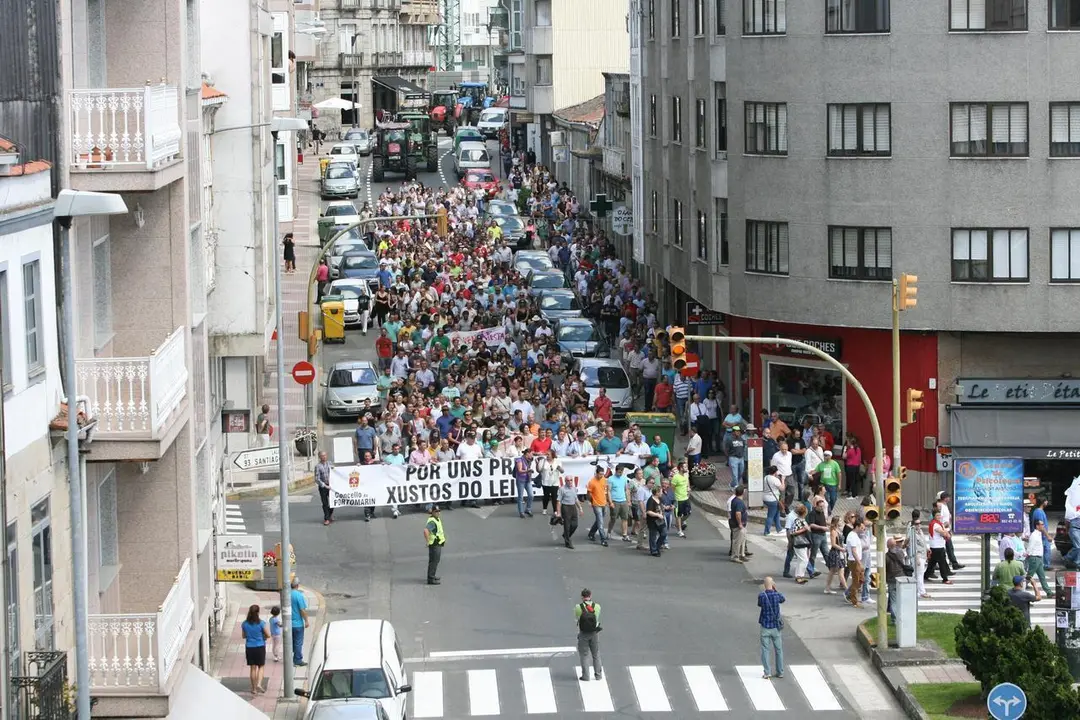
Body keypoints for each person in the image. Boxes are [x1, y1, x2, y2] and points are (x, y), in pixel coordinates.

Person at [757, 577, 785, 680]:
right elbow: (783, 599)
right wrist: (775, 589)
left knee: (765, 649)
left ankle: (767, 672)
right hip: (775, 627)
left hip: (765, 625)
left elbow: (759, 604)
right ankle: (780, 671)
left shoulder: (762, 596)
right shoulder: (777, 595)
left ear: (764, 585)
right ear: (772, 584)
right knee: (778, 650)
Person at [575, 589, 603, 681]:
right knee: (596, 654)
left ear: (582, 597)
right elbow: (597, 617)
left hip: (583, 634)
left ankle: (586, 676)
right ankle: (598, 675)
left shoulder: (578, 607)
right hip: (594, 633)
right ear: (590, 596)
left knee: (584, 655)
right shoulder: (597, 606)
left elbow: (577, 618)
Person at [241, 604, 270, 694]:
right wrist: (262, 636)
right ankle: (259, 684)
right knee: (261, 666)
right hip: (260, 646)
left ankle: (253, 689)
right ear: (258, 612)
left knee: (252, 668)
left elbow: (243, 636)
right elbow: (268, 635)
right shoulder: (261, 623)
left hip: (249, 647)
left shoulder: (244, 624)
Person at [925, 505, 954, 586]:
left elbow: (944, 530)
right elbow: (944, 533)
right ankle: (945, 579)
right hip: (937, 547)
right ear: (933, 516)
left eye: (939, 515)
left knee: (932, 563)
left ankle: (926, 575)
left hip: (936, 546)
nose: (939, 516)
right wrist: (947, 532)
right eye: (937, 515)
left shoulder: (937, 523)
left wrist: (945, 528)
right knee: (942, 563)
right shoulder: (935, 524)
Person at [586, 468, 611, 547]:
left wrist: (607, 500)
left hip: (604, 503)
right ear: (596, 473)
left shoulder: (604, 480)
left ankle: (591, 533)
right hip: (596, 504)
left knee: (599, 520)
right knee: (600, 522)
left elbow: (605, 490)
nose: (601, 476)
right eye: (600, 474)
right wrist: (592, 501)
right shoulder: (592, 482)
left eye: (602, 474)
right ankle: (603, 539)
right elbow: (588, 494)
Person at [845, 519, 867, 608]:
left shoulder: (855, 535)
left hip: (856, 560)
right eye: (862, 528)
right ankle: (854, 601)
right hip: (854, 561)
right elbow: (854, 551)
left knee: (860, 580)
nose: (863, 530)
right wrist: (859, 562)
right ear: (857, 527)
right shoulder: (852, 536)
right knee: (856, 581)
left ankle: (850, 594)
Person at [555, 475, 581, 548]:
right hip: (565, 507)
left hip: (573, 507)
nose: (570, 482)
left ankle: (566, 535)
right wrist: (559, 512)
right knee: (567, 525)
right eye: (568, 480)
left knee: (575, 524)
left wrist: (580, 508)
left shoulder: (574, 488)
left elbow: (576, 499)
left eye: (571, 480)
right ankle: (568, 542)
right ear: (565, 481)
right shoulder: (562, 489)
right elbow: (558, 501)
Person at [424, 505, 446, 585]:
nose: (438, 513)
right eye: (436, 511)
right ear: (432, 512)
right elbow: (426, 531)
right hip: (434, 544)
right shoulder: (432, 521)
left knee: (435, 561)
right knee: (434, 561)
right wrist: (427, 541)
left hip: (437, 543)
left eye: (439, 511)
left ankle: (432, 576)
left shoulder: (436, 519)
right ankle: (430, 578)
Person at [290, 578, 309, 666]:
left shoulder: (286, 594)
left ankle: (290, 658)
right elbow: (302, 610)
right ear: (298, 585)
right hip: (297, 624)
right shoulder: (299, 595)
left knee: (291, 642)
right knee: (298, 642)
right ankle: (297, 660)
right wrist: (306, 621)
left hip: (288, 623)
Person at [645, 485, 667, 557]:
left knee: (664, 533)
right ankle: (654, 550)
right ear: (657, 492)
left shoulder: (660, 499)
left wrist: (664, 508)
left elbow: (661, 506)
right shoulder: (651, 500)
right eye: (660, 492)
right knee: (653, 536)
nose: (662, 493)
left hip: (660, 520)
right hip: (653, 521)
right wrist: (657, 515)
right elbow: (649, 512)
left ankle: (657, 546)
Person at [730, 485, 749, 563]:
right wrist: (740, 524)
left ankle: (741, 554)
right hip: (738, 525)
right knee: (737, 541)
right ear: (743, 492)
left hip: (740, 525)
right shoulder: (739, 502)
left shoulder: (734, 500)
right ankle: (735, 556)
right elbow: (738, 513)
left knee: (742, 540)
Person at [315, 451, 333, 525]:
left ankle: (329, 515)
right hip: (323, 487)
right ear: (319, 457)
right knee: (325, 503)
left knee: (333, 502)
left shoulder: (330, 464)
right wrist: (325, 485)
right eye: (322, 456)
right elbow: (317, 479)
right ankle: (326, 518)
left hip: (331, 486)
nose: (324, 457)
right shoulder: (318, 466)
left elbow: (336, 472)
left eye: (325, 455)